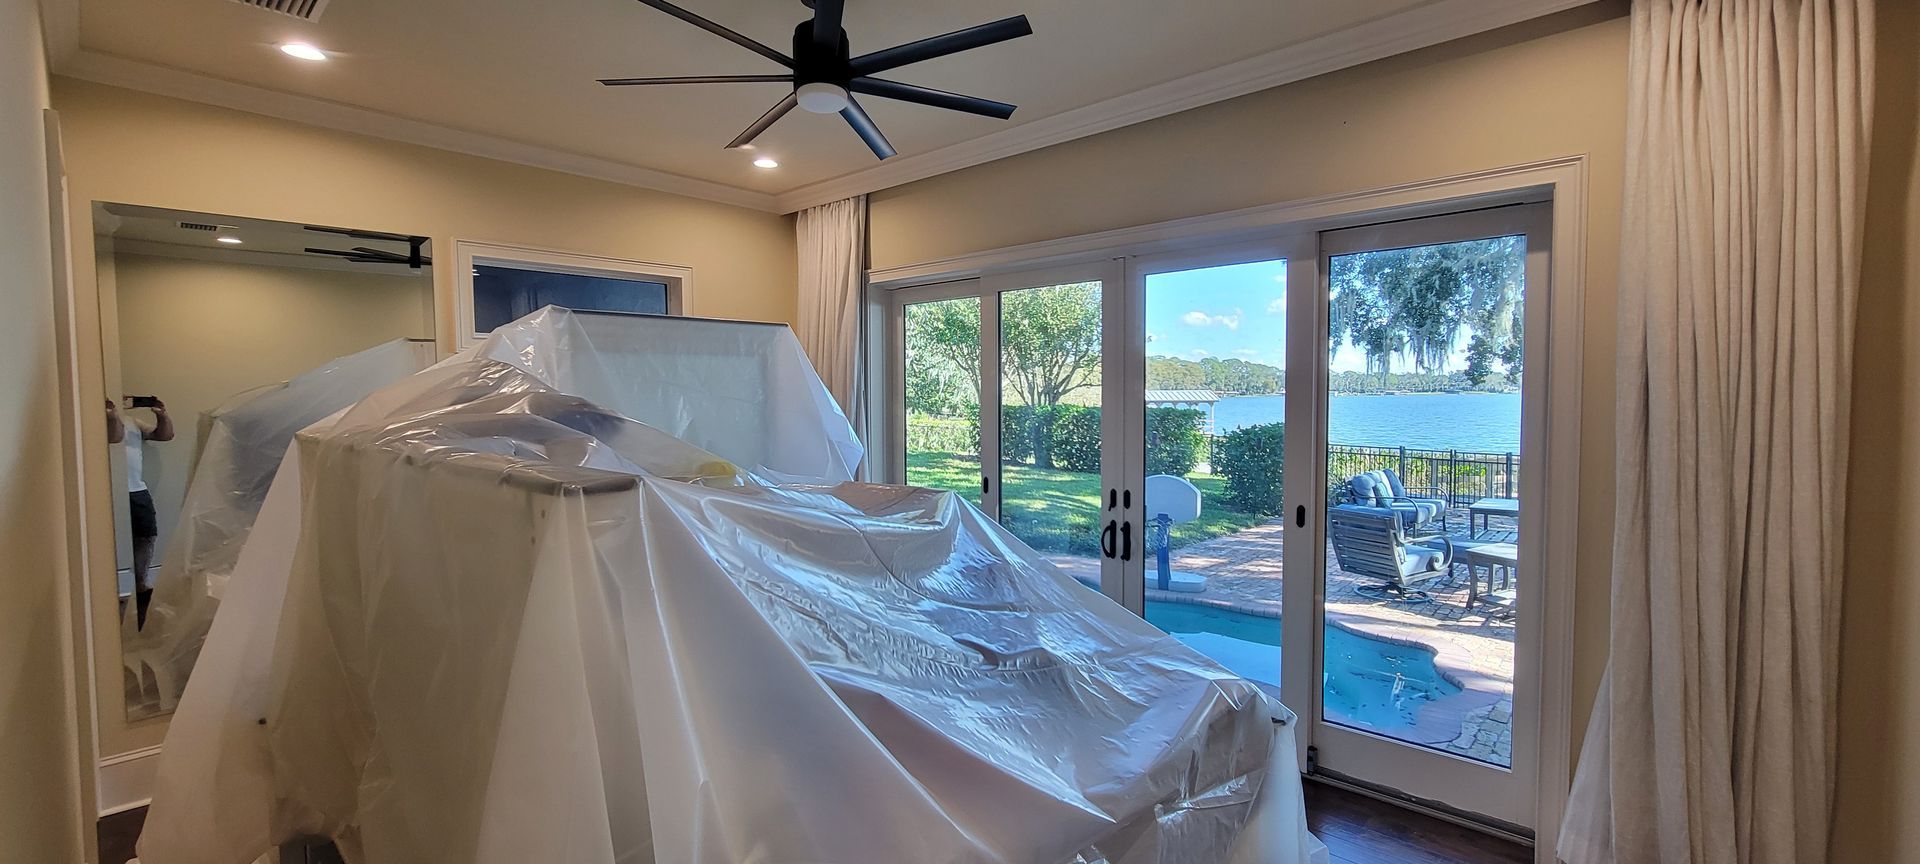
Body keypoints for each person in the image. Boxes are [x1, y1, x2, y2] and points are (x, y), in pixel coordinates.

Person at [107, 395, 174, 628]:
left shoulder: (133, 422)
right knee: (113, 542)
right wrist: (112, 415)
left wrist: (161, 414)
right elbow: (114, 437)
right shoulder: (98, 421)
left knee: (146, 535)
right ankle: (115, 587)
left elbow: (164, 435)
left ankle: (140, 583)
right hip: (110, 492)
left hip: (137, 490)